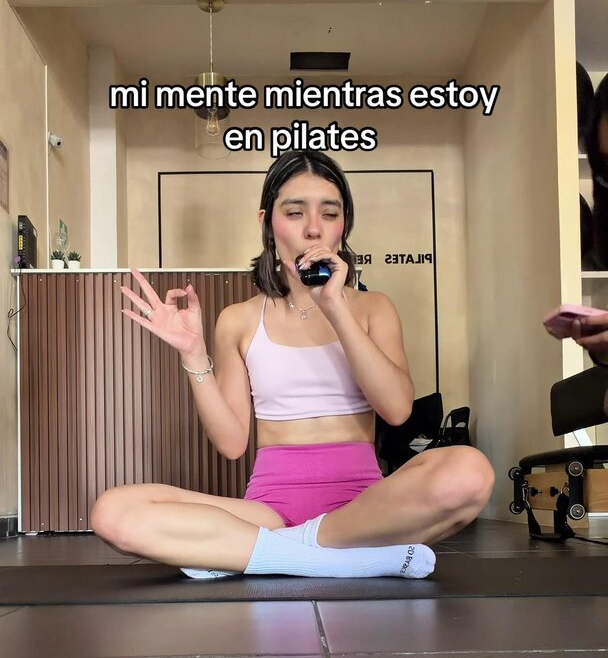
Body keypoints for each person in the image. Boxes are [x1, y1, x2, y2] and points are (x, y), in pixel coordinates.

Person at [91, 150, 495, 579]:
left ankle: (267, 553)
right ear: (267, 222)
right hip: (269, 510)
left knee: (470, 472)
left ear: (344, 225)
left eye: (330, 213)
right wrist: (193, 354)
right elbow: (231, 443)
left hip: (363, 508)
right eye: (295, 212)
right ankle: (335, 557)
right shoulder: (238, 320)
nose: (314, 227)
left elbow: (396, 410)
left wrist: (335, 306)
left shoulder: (372, 308)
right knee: (113, 512)